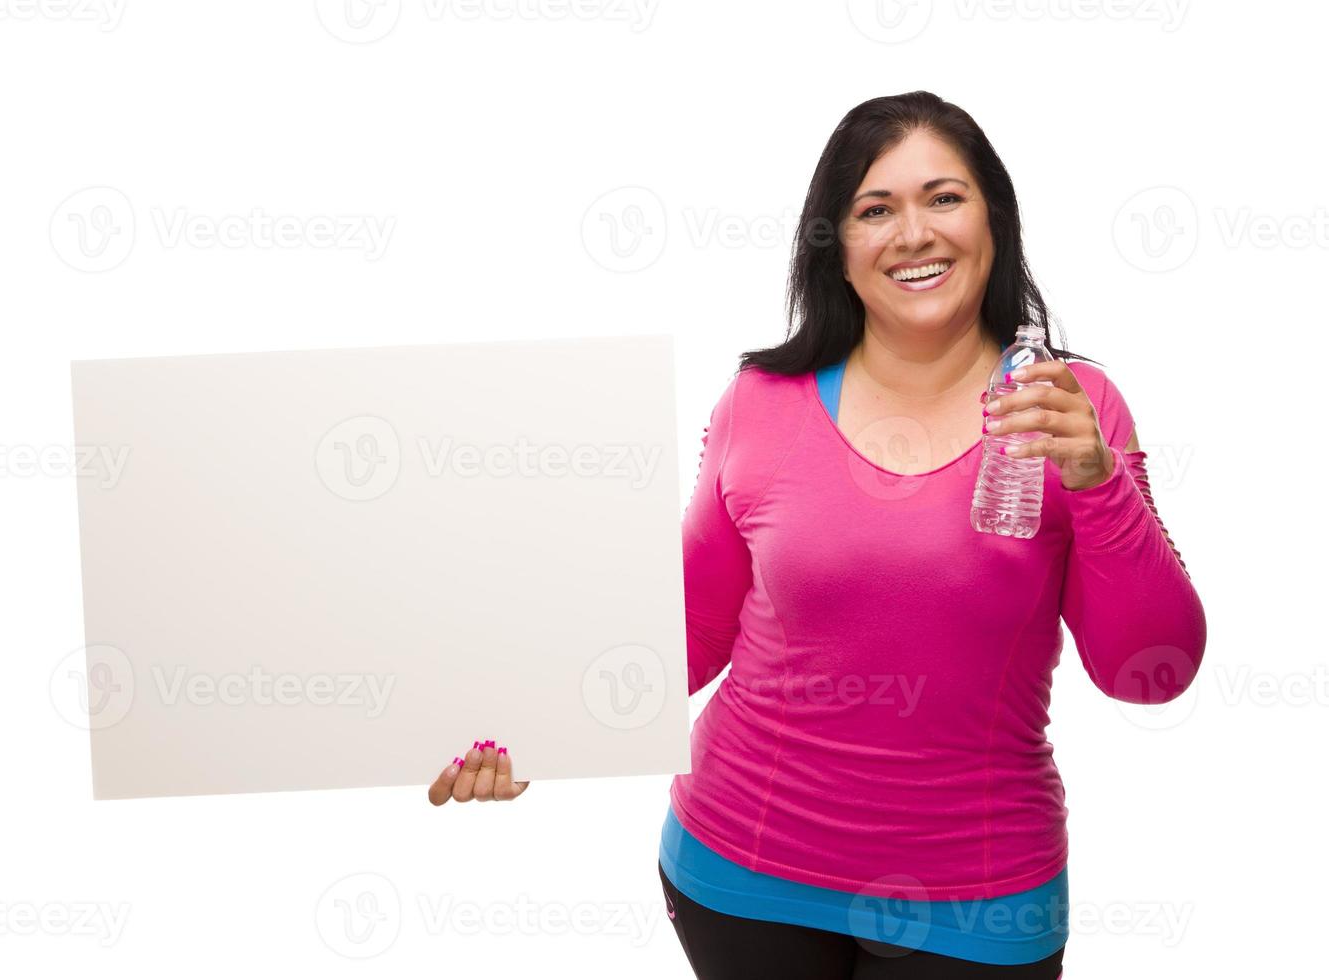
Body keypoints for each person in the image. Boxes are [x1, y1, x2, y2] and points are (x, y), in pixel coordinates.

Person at [426, 90, 1206, 980]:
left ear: (995, 219)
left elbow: (1154, 673)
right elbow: (690, 631)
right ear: (835, 249)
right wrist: (528, 727)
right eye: (875, 210)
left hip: (978, 901)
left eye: (943, 198)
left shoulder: (1073, 412)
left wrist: (1100, 484)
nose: (912, 233)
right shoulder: (758, 402)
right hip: (737, 874)